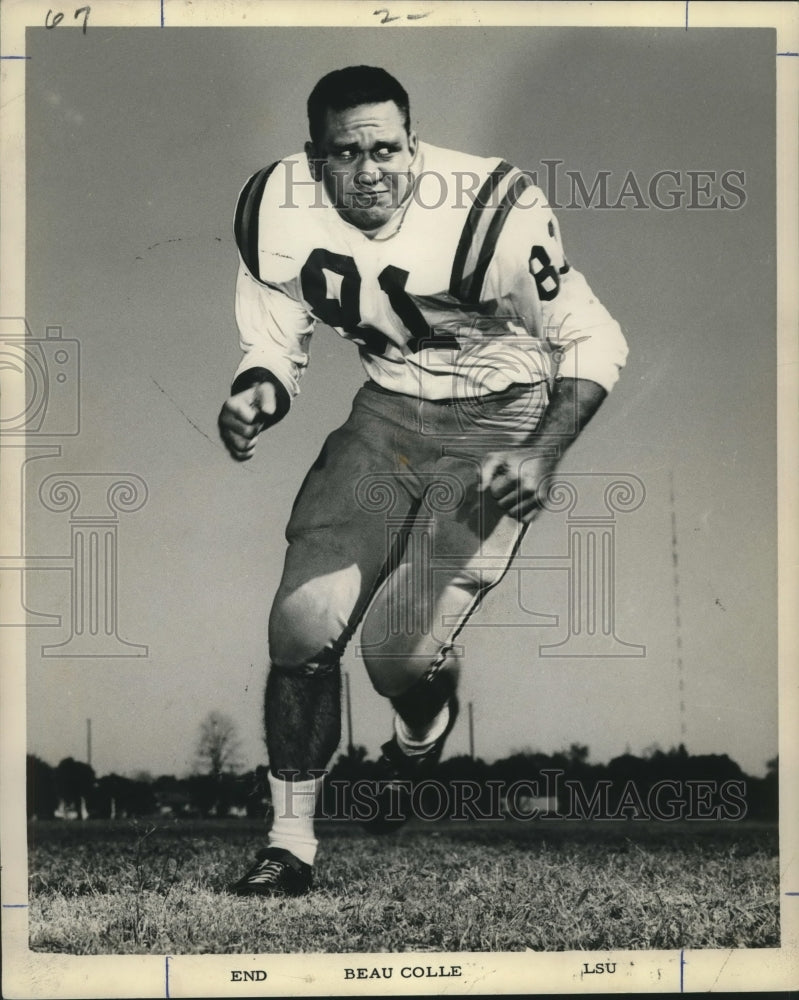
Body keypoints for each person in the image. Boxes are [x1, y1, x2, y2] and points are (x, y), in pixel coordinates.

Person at [219, 66, 628, 896]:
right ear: (314, 156)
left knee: (393, 654)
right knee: (302, 623)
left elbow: (595, 339)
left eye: (386, 149)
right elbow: (276, 331)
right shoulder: (276, 207)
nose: (369, 171)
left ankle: (421, 728)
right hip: (388, 414)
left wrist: (543, 452)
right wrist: (257, 388)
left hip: (500, 418)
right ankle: (289, 843)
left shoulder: (492, 209)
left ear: (414, 143)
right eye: (346, 152)